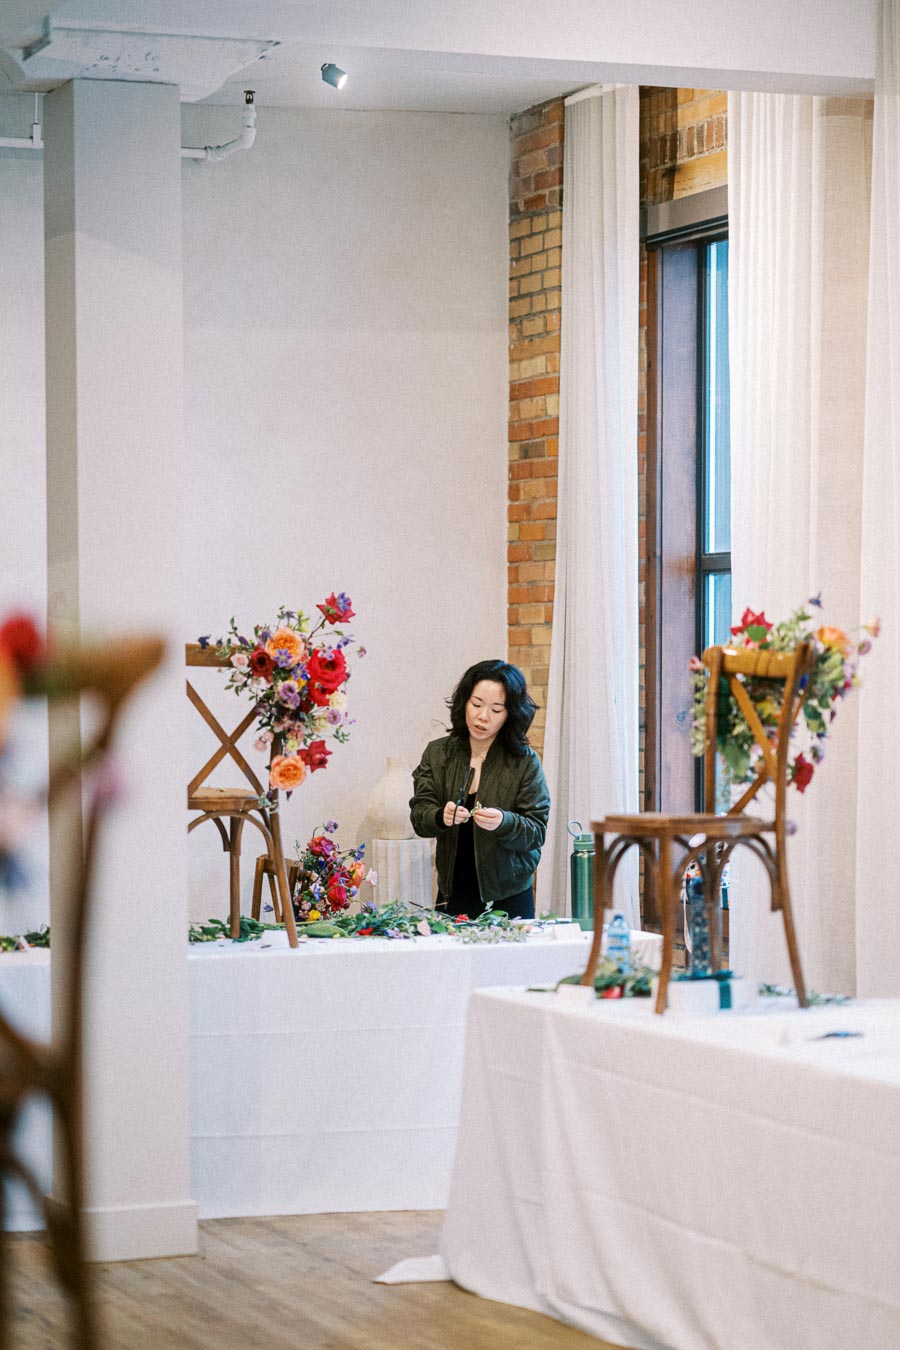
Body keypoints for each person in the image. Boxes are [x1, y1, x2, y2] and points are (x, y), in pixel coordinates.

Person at [410, 659, 550, 919]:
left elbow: (536, 831)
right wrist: (441, 815)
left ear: (510, 714)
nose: (482, 716)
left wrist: (504, 822)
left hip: (509, 897)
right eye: (476, 704)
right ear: (464, 701)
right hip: (453, 895)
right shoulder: (438, 753)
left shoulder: (523, 761)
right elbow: (420, 814)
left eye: (496, 710)